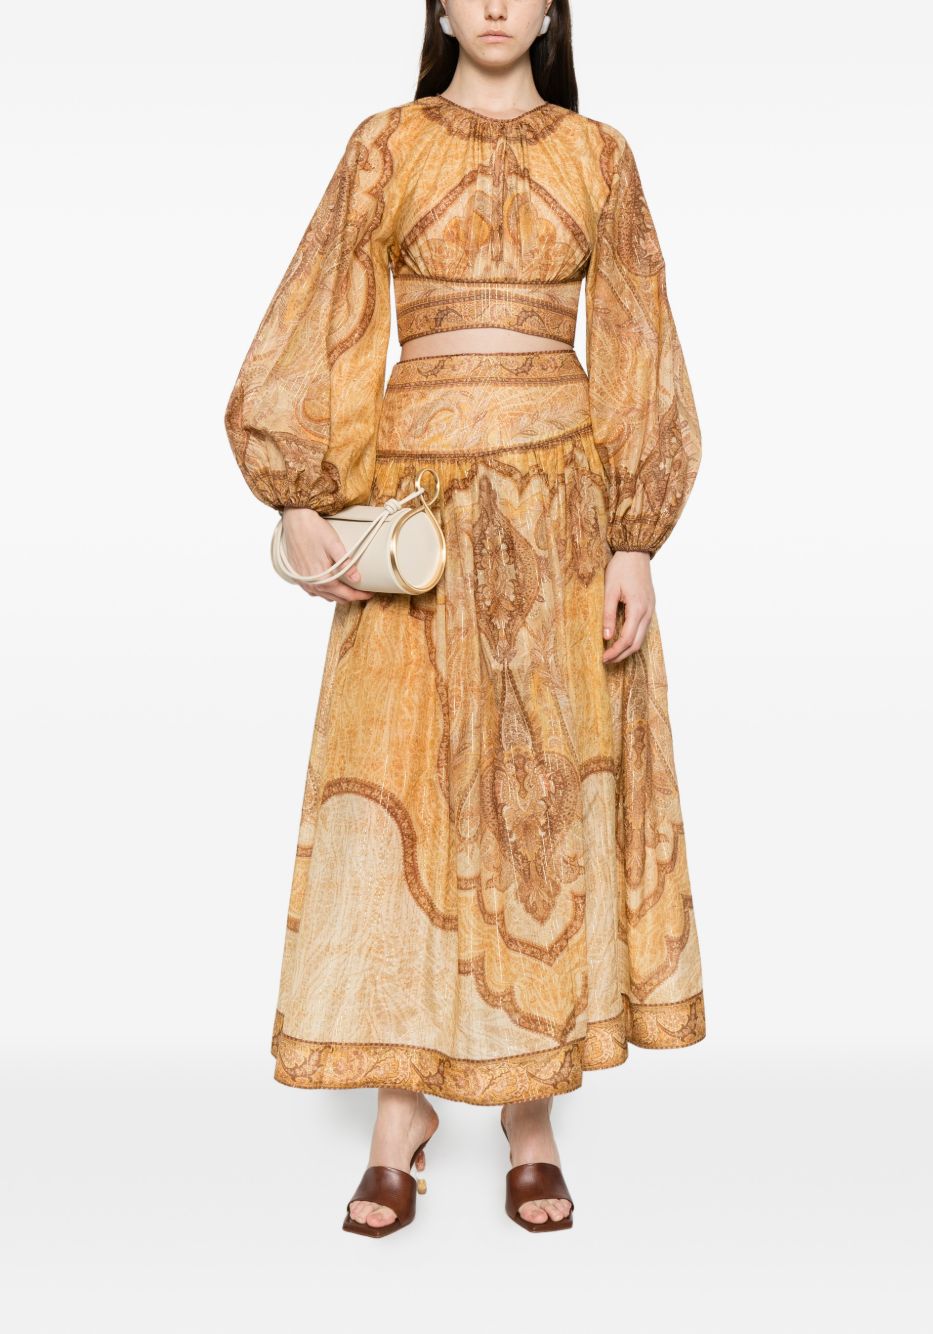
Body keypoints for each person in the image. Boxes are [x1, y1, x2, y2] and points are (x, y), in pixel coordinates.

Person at [224, 0, 707, 1237]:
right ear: (439, 7)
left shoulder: (600, 156)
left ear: (549, 10)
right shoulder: (385, 142)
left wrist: (636, 536)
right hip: (421, 512)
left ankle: (530, 1120)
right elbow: (326, 303)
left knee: (541, 799)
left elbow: (640, 341)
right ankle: (401, 1118)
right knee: (408, 789)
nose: (495, 4)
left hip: (562, 516)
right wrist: (298, 497)